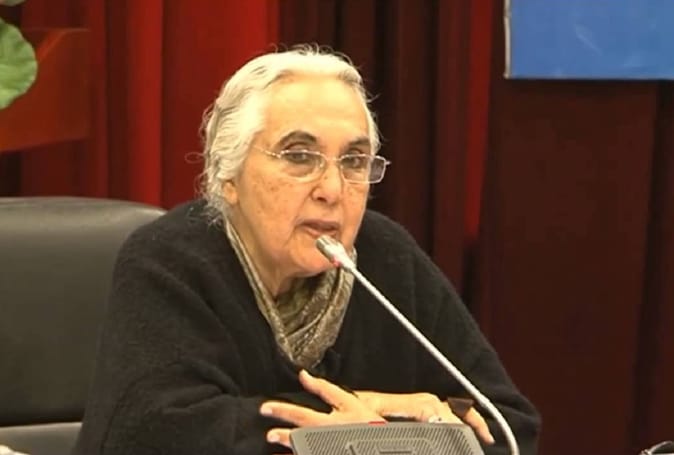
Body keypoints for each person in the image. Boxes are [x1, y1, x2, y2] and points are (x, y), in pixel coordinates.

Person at [74, 45, 540, 455]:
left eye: (354, 161)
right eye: (299, 156)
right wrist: (371, 426)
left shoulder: (387, 258)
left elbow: (508, 428)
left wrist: (386, 425)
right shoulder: (170, 260)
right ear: (227, 173)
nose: (332, 189)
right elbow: (153, 435)